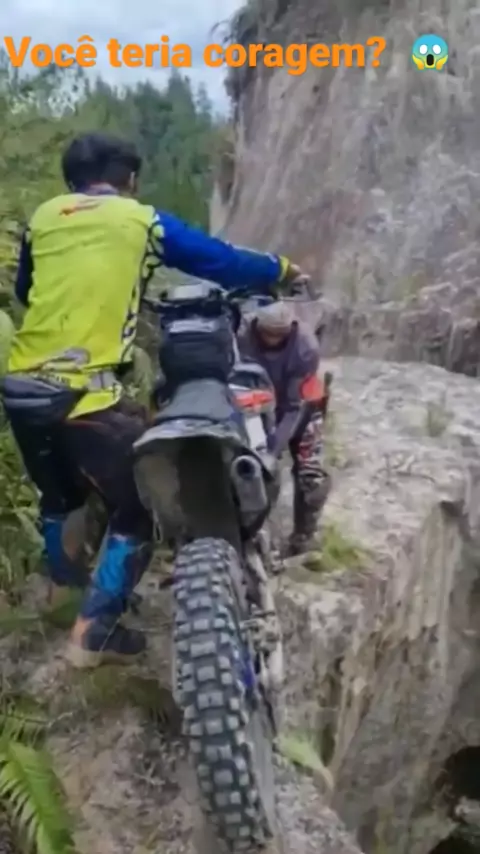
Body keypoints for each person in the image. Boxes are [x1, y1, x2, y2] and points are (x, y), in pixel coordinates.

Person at [1, 132, 308, 669]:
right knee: (145, 502)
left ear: (71, 180)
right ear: (129, 179)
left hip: (22, 389)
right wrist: (282, 270)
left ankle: (64, 595)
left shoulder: (45, 217)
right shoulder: (140, 219)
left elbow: (28, 291)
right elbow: (221, 261)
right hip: (83, 396)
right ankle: (94, 633)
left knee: (60, 498)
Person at [237, 301, 331, 556]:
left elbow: (293, 407)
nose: (272, 339)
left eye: (279, 334)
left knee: (312, 476)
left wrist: (274, 448)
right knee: (243, 467)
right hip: (254, 405)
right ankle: (243, 534)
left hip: (302, 406)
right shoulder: (242, 335)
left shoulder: (305, 348)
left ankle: (302, 538)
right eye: (267, 333)